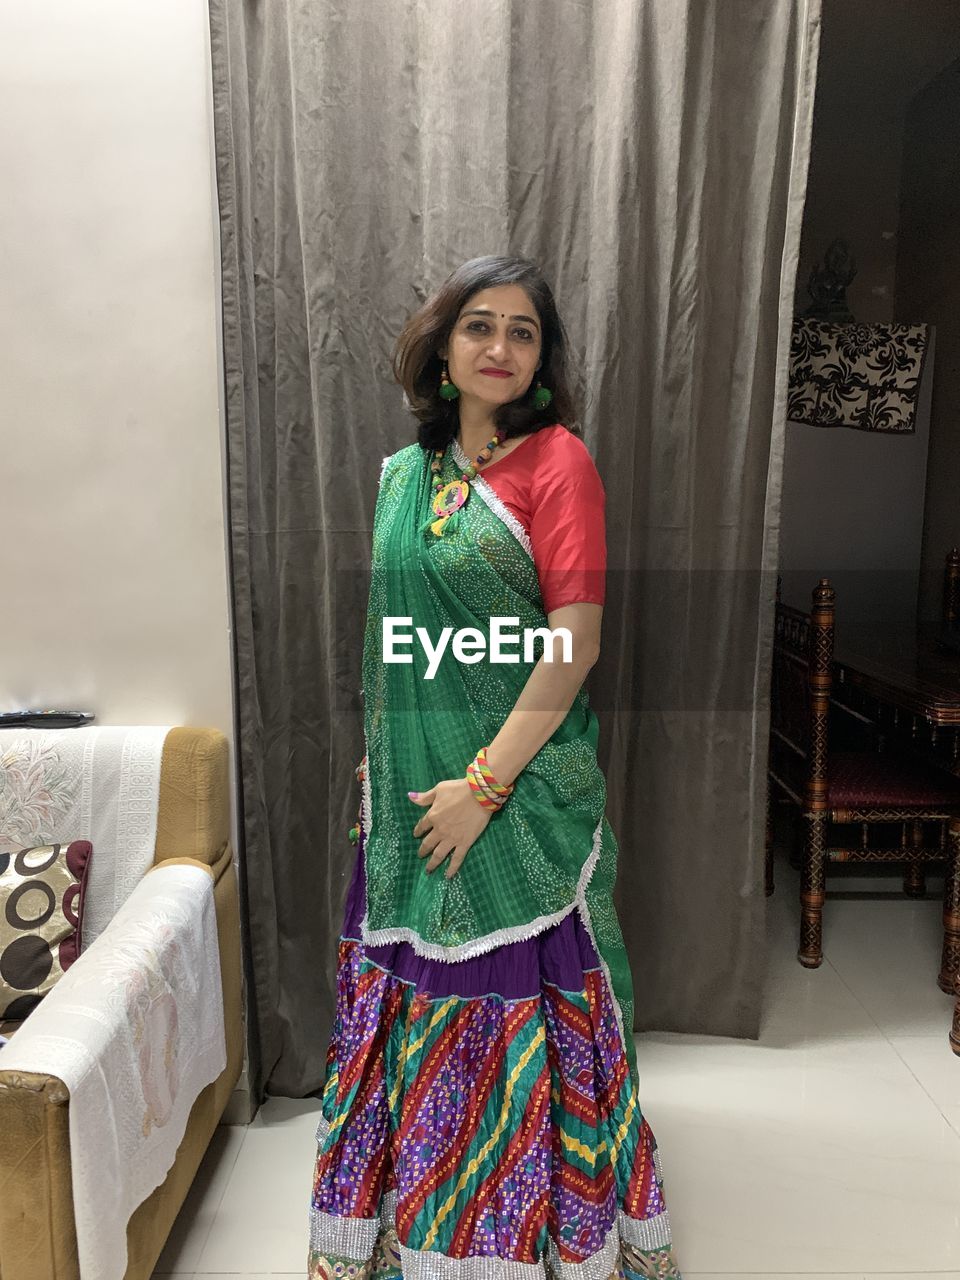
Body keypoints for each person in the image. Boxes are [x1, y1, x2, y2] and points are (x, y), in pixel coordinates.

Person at [307, 255, 683, 1280]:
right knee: (413, 987)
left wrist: (484, 785)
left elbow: (576, 641)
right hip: (409, 788)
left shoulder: (559, 465)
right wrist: (382, 761)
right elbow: (394, 639)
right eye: (481, 325)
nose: (501, 347)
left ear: (542, 360)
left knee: (514, 991)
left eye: (524, 332)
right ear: (443, 348)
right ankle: (409, 1226)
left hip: (515, 795)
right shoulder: (400, 474)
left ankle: (531, 1237)